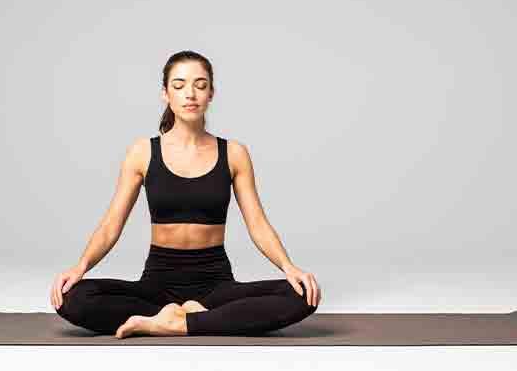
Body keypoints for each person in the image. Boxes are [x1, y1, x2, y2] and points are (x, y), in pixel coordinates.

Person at [50, 50, 322, 338]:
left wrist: (289, 267)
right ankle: (195, 320)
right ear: (165, 93)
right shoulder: (142, 152)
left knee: (302, 294)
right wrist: (80, 266)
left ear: (211, 94)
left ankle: (172, 323)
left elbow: (258, 225)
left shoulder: (234, 154)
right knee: (72, 297)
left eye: (200, 85)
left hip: (216, 285)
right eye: (179, 86)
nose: (190, 94)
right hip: (157, 284)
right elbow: (110, 226)